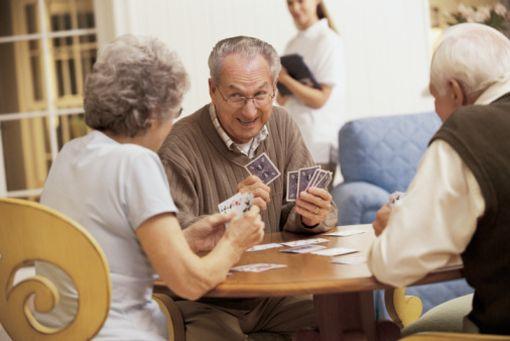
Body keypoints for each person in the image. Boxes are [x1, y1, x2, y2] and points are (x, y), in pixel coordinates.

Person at [35, 35, 265, 340]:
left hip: (56, 330)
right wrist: (234, 243)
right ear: (154, 113)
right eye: (175, 112)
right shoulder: (136, 162)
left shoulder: (71, 154)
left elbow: (112, 253)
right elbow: (191, 284)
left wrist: (186, 239)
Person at [159, 36, 337, 340]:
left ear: (274, 89)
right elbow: (172, 241)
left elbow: (300, 211)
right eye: (237, 97)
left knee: (336, 324)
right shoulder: (177, 145)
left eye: (260, 95)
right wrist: (231, 212)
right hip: (206, 300)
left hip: (274, 292)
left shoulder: (283, 125)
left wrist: (310, 216)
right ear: (213, 90)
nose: (251, 111)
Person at [367, 23, 510, 335]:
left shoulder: (468, 131)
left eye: (435, 97)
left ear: (456, 92)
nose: (435, 111)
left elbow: (391, 264)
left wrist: (398, 225)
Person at [277, 0, 345, 172]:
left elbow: (319, 100)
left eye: (300, 1)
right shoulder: (293, 44)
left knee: (313, 199)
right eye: (290, 3)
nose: (295, 8)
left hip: (318, 144)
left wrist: (285, 79)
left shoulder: (328, 40)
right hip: (295, 142)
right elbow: (283, 100)